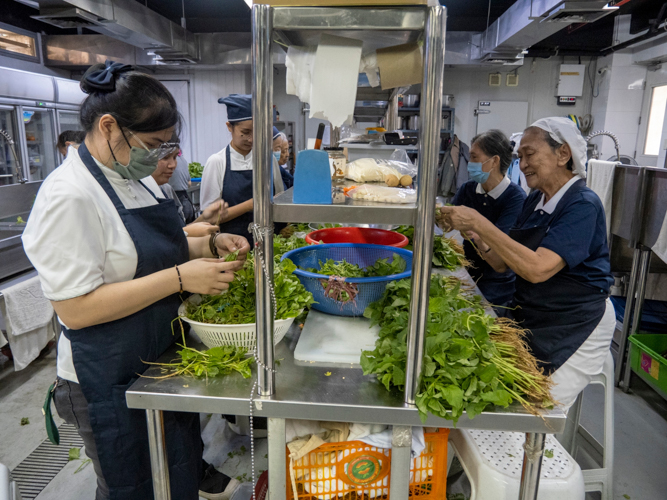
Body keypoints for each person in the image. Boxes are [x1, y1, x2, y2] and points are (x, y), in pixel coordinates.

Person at [22, 61, 249, 500]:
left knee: (177, 470)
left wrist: (211, 245)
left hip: (156, 358)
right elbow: (76, 307)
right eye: (152, 144)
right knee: (136, 486)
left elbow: (149, 253)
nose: (160, 156)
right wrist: (182, 276)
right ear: (108, 127)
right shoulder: (69, 194)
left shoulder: (134, 179)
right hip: (107, 375)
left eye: (167, 145)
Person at [439, 117, 615, 408]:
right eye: (520, 157)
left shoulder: (582, 205)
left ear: (563, 154)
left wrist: (481, 223)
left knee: (534, 409)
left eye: (530, 154)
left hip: (575, 323)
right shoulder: (535, 201)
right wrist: (475, 236)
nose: (522, 165)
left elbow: (537, 269)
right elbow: (500, 263)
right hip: (535, 318)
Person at [448, 130, 526, 310]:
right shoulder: (469, 189)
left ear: (494, 161)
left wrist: (476, 234)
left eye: (475, 158)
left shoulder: (515, 199)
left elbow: (502, 255)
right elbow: (450, 217)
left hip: (498, 285)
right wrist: (444, 219)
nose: (470, 164)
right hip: (469, 274)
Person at [200, 94, 285, 241]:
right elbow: (210, 219)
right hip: (232, 247)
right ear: (229, 127)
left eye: (256, 132)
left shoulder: (267, 159)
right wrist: (249, 205)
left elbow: (280, 198)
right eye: (245, 133)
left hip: (270, 243)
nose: (251, 139)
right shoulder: (217, 162)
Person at [144, 138, 229, 238]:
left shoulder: (166, 190)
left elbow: (180, 231)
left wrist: (204, 218)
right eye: (165, 157)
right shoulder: (139, 193)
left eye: (175, 157)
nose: (173, 165)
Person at [168, 149, 196, 223]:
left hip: (177, 202)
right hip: (187, 202)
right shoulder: (183, 160)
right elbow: (189, 183)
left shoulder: (167, 162)